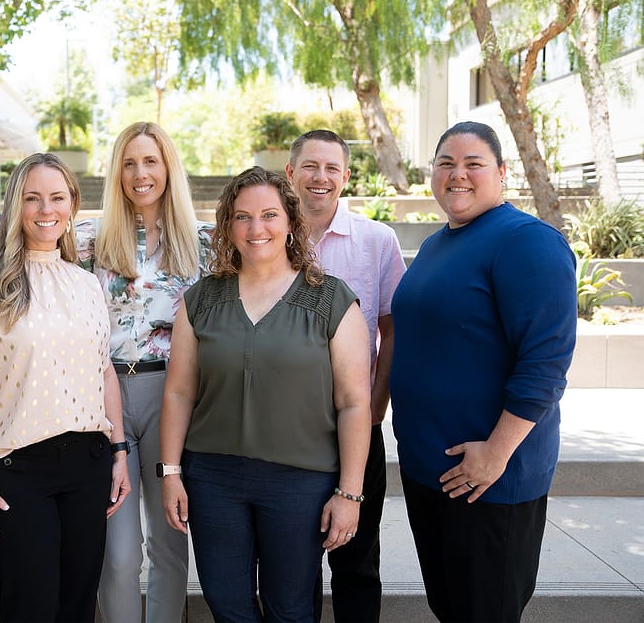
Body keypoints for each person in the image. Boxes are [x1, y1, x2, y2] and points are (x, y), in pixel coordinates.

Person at [160, 166, 371, 622]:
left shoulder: (332, 300)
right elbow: (178, 392)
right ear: (227, 226)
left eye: (270, 215)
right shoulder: (200, 300)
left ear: (291, 222)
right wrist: (171, 471)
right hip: (212, 479)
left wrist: (350, 494)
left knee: (290, 610)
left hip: (301, 483)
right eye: (242, 217)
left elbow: (355, 402)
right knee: (227, 605)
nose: (257, 229)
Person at [390, 121, 577, 622]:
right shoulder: (436, 245)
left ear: (501, 171)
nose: (458, 175)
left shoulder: (526, 241)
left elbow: (546, 363)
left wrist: (496, 454)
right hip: (431, 470)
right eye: (446, 163)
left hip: (490, 480)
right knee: (451, 608)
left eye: (473, 164)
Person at [0, 153, 132, 623]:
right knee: (31, 608)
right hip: (15, 470)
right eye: (33, 198)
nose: (46, 209)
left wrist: (120, 452)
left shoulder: (86, 285)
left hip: (88, 465)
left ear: (72, 206)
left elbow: (103, 371)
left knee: (76, 607)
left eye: (57, 197)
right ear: (15, 206)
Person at [75, 122, 211, 623]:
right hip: (106, 394)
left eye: (151, 161)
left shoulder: (203, 243)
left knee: (171, 541)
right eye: (129, 163)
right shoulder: (87, 240)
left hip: (171, 394)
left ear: (168, 167)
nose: (140, 173)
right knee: (120, 551)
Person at [286, 129, 406, 622]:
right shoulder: (262, 235)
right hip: (286, 430)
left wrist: (376, 407)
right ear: (290, 173)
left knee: (356, 559)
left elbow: (393, 330)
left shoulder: (377, 241)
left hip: (356, 427)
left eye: (332, 168)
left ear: (346, 177)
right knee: (293, 564)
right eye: (310, 167)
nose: (321, 178)